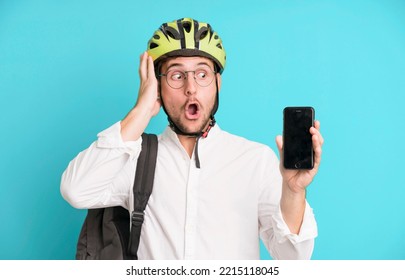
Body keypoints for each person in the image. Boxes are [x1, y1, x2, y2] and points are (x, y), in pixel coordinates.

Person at [61, 17, 324, 260]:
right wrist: (141, 110)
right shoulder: (134, 157)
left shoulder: (255, 160)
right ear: (158, 86)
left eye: (202, 74)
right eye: (176, 75)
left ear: (217, 83)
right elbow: (76, 191)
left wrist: (293, 192)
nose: (191, 87)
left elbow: (293, 258)